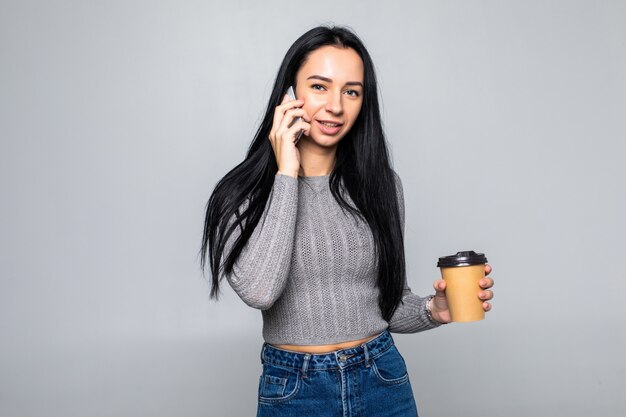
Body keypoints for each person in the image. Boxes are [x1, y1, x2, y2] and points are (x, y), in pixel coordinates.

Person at [200, 25, 494, 417]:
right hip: (295, 389)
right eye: (319, 86)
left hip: (381, 378)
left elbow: (387, 307)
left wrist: (433, 309)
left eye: (351, 91)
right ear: (289, 94)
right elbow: (260, 291)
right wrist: (287, 171)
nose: (336, 106)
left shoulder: (382, 186)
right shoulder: (241, 196)